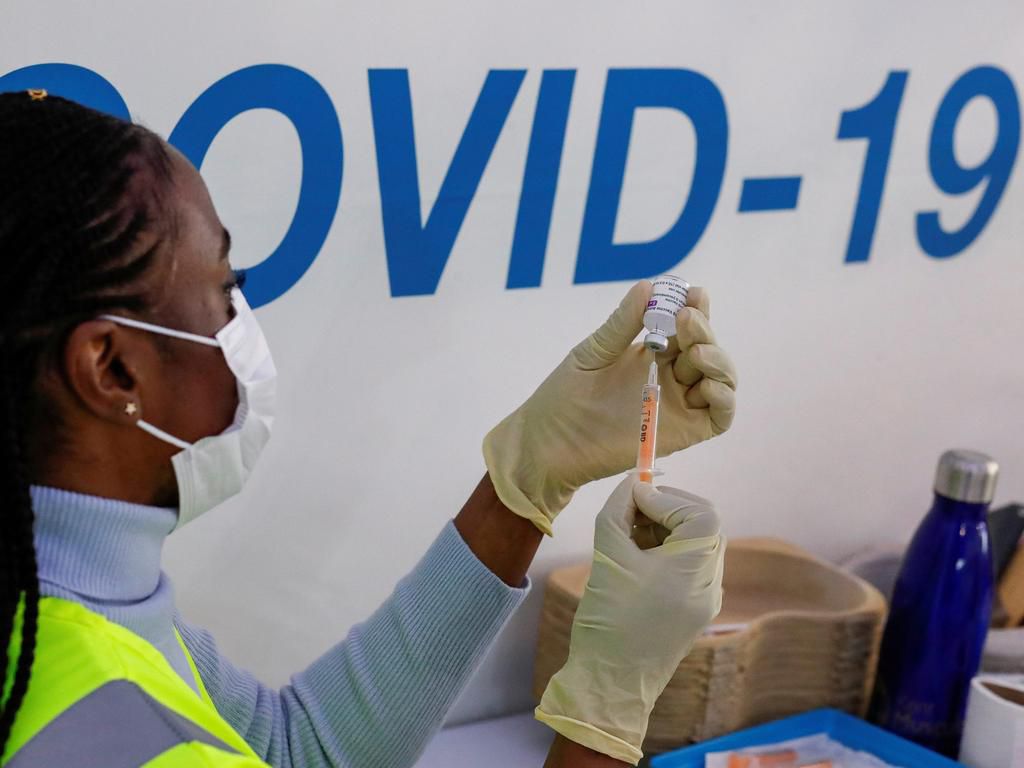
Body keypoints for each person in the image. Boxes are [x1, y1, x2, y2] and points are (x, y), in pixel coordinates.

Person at [0, 91, 736, 767]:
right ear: (112, 369)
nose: (240, 320)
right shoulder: (120, 727)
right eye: (226, 289)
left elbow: (295, 754)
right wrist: (607, 705)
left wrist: (531, 475)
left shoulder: (68, 599)